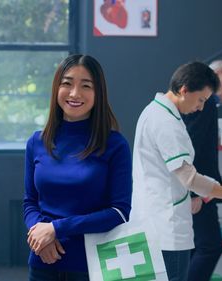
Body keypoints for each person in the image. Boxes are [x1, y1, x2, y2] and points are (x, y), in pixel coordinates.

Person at [133, 61, 222, 281]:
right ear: (184, 90)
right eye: (201, 99)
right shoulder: (166, 123)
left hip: (159, 221)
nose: (201, 107)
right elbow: (190, 178)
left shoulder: (155, 111)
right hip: (167, 228)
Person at [23, 54, 132, 281]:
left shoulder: (114, 144)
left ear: (98, 93)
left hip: (92, 266)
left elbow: (119, 212)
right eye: (67, 83)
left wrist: (55, 229)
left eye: (86, 86)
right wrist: (40, 232)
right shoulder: (37, 142)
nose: (74, 93)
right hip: (43, 260)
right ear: (56, 89)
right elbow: (30, 202)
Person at [181, 60, 222, 281]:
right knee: (210, 247)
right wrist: (196, 192)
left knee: (197, 248)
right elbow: (192, 145)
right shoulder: (205, 103)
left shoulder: (203, 103)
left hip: (199, 187)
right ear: (218, 74)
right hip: (200, 190)